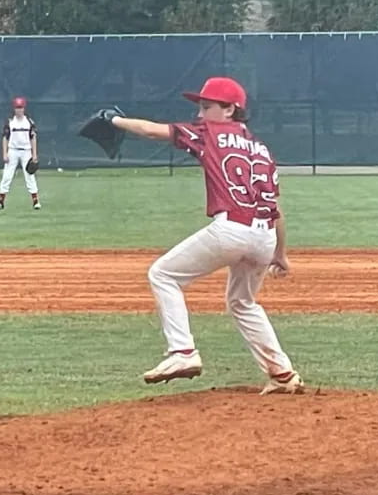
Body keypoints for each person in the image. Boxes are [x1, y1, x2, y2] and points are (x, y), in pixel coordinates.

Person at [108, 76, 303, 395]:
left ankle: (182, 352)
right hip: (264, 236)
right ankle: (282, 374)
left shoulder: (209, 133)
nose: (200, 114)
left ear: (230, 110)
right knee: (243, 302)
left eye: (207, 106)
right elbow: (276, 208)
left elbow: (149, 130)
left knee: (163, 275)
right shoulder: (262, 150)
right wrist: (280, 253)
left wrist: (114, 120)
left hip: (232, 229)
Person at [0, 96, 41, 210]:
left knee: (30, 176)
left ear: (24, 108)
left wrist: (34, 154)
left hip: (26, 151)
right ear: (14, 109)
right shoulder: (10, 122)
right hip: (13, 151)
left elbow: (33, 138)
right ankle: (0, 202)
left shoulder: (29, 122)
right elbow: (5, 138)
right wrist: (5, 153)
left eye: (21, 107)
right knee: (7, 176)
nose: (19, 110)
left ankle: (35, 201)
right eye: (17, 107)